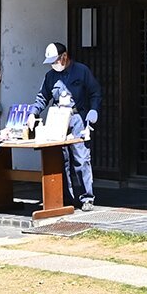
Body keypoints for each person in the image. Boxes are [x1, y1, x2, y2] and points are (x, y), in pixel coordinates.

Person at [34, 41, 101, 210]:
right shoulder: (50, 76)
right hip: (58, 118)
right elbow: (43, 97)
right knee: (61, 159)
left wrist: (94, 110)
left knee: (81, 158)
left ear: (64, 57)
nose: (53, 65)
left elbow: (95, 92)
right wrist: (33, 112)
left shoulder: (81, 70)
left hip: (78, 116)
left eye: (55, 61)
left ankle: (87, 197)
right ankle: (66, 196)